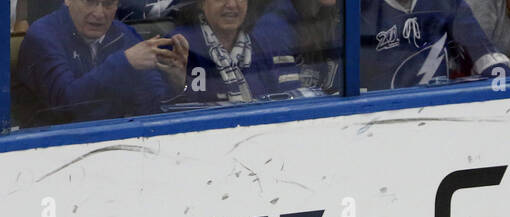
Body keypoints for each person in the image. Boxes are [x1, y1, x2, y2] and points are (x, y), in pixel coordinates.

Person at [14, 0, 189, 125]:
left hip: (115, 144)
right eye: (90, 2)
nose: (99, 13)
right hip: (48, 152)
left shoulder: (126, 36)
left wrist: (175, 85)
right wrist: (123, 63)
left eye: (108, 4)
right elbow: (65, 104)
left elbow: (152, 109)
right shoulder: (42, 37)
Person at [360, 0, 509, 89]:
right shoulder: (359, 9)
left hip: (438, 105)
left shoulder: (447, 3)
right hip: (382, 114)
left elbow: (484, 54)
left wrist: (506, 90)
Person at [176, 0, 306, 103]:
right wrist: (177, 85)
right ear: (201, 3)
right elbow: (167, 112)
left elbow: (292, 103)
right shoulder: (178, 46)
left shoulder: (270, 41)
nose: (232, 4)